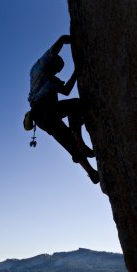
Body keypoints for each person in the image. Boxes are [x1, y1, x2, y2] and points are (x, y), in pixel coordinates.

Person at [27, 35, 99, 184]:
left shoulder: (51, 78)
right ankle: (80, 142)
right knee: (75, 105)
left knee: (67, 141)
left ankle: (91, 172)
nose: (57, 73)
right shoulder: (39, 68)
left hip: (42, 118)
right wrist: (74, 38)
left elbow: (65, 90)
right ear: (53, 63)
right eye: (57, 69)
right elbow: (61, 40)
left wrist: (76, 73)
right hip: (45, 110)